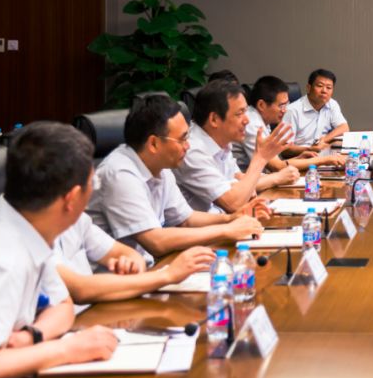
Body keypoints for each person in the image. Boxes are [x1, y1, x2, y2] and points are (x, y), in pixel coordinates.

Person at [0, 122, 118, 378]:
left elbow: (62, 305)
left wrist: (32, 336)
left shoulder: (20, 223)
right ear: (71, 198)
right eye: (93, 183)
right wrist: (66, 350)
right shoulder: (1, 258)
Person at [88, 94, 267, 263]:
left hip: (151, 267)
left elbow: (186, 219)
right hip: (116, 280)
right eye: (182, 139)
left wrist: (231, 219)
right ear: (154, 143)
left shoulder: (161, 165)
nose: (187, 146)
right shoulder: (120, 174)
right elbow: (156, 241)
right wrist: (226, 230)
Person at [176, 80, 296, 212]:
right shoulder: (192, 150)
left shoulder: (222, 141)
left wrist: (248, 187)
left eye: (246, 112)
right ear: (214, 119)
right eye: (239, 114)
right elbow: (233, 203)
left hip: (228, 219)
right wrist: (261, 159)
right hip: (211, 223)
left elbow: (238, 179)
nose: (247, 120)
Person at [53, 214, 215, 309]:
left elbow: (126, 253)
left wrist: (133, 265)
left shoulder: (78, 219)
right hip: (70, 330)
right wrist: (168, 274)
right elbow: (80, 289)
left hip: (97, 311)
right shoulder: (39, 233)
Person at [237, 76, 345, 172]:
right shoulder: (252, 123)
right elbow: (276, 167)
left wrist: (299, 158)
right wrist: (324, 160)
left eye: (286, 104)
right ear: (261, 105)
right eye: (281, 105)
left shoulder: (263, 120)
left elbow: (276, 163)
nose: (285, 110)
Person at [282, 68, 349, 152]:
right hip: (300, 156)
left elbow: (344, 127)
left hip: (323, 153)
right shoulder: (292, 111)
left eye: (328, 87)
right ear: (308, 88)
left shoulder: (332, 104)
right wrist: (310, 149)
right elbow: (284, 149)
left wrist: (324, 139)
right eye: (320, 86)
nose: (324, 91)